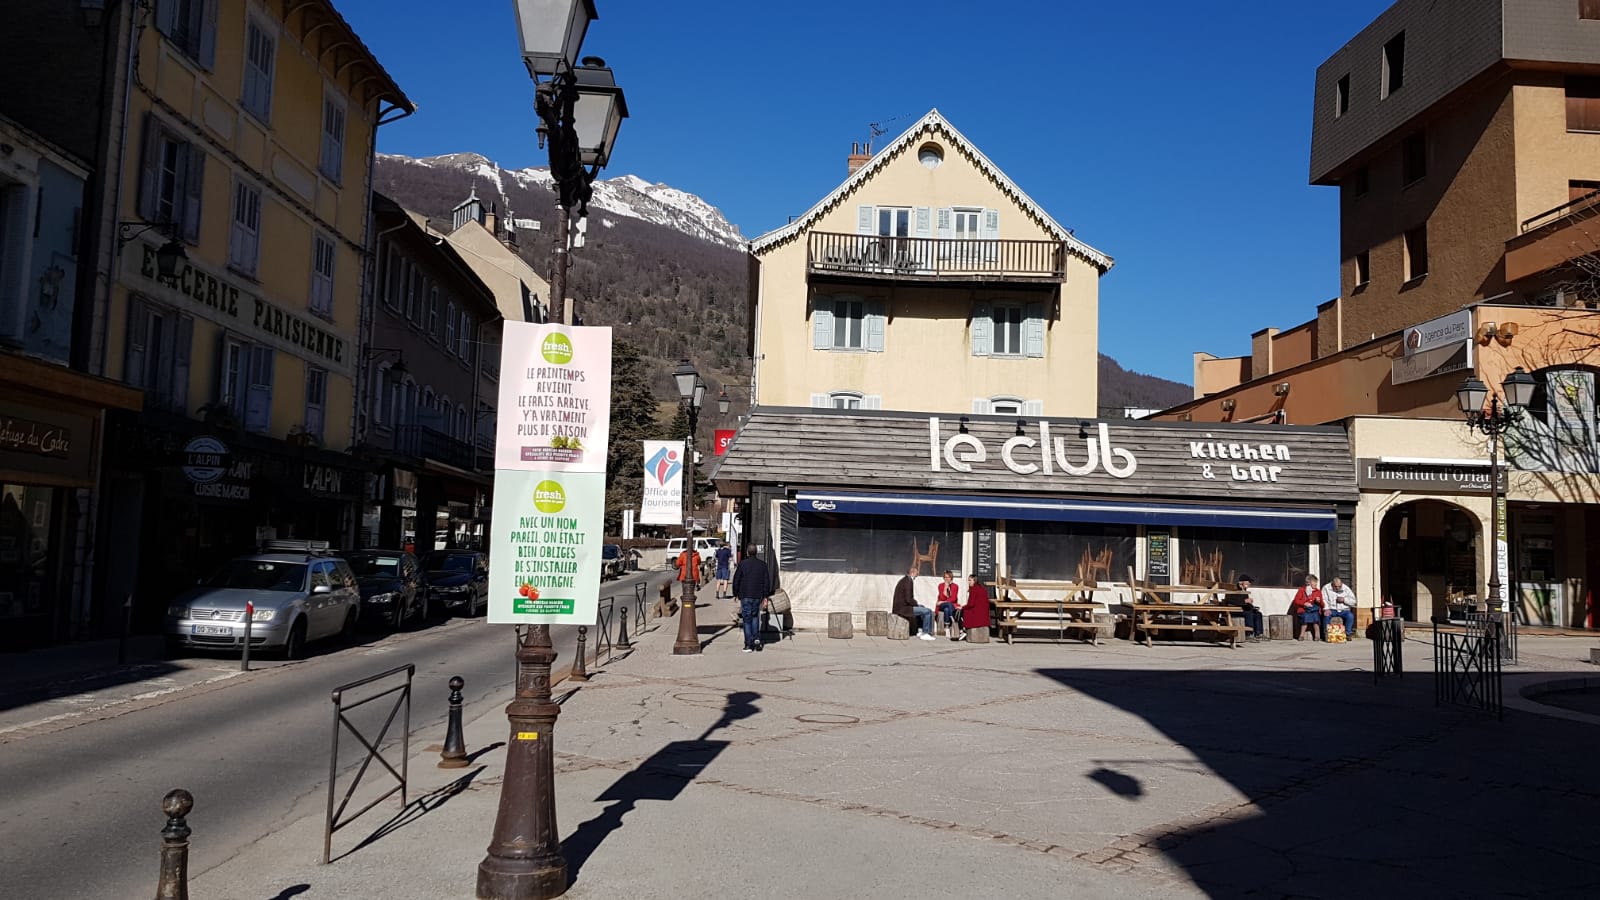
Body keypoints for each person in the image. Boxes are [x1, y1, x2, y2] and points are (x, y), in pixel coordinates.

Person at [731, 546, 771, 653]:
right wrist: (765, 596)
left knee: (747, 619)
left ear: (748, 552)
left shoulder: (743, 564)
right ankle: (757, 639)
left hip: (745, 594)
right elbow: (766, 581)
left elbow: (737, 579)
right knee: (755, 617)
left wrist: (735, 593)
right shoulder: (763, 565)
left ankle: (748, 644)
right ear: (756, 552)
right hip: (757, 595)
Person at [891, 566, 936, 641]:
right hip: (903, 608)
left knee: (922, 607)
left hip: (902, 606)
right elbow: (909, 599)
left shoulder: (905, 580)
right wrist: (916, 604)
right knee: (927, 611)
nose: (917, 575)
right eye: (917, 574)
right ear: (912, 573)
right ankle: (926, 633)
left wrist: (917, 605)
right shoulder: (908, 581)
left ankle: (920, 630)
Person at [1290, 574, 1326, 641]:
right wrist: (1304, 603)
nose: (1315, 584)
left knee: (1316, 618)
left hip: (1314, 609)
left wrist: (1319, 601)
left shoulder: (1318, 592)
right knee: (1305, 618)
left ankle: (1317, 635)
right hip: (1304, 609)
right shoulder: (1302, 590)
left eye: (1316, 582)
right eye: (1314, 582)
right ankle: (1301, 635)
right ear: (1308, 583)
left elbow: (1322, 605)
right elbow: (1296, 601)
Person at [1231, 574, 1265, 643]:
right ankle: (1249, 634)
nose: (1249, 584)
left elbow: (1245, 603)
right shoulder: (1233, 589)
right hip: (1235, 610)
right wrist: (1244, 601)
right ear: (1242, 583)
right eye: (1248, 582)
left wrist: (1252, 607)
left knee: (1258, 614)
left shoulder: (1244, 590)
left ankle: (1259, 633)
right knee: (1249, 614)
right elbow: (1231, 601)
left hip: (1242, 609)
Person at [1323, 576, 1356, 640]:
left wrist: (1344, 600)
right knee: (1326, 616)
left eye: (1339, 586)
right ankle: (1326, 634)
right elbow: (1324, 599)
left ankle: (1347, 634)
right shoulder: (1326, 588)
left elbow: (1353, 601)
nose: (1337, 588)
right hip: (1331, 609)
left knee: (1350, 616)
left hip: (1344, 610)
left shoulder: (1346, 588)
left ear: (1341, 584)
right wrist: (1326, 608)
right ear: (1332, 584)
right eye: (1335, 587)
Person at [960, 574, 992, 641]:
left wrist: (962, 607)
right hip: (984, 614)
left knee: (964, 611)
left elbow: (971, 604)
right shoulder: (982, 588)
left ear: (974, 581)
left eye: (970, 580)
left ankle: (963, 630)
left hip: (977, 614)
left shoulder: (974, 590)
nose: (969, 582)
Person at [934, 570, 961, 636]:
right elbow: (942, 597)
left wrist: (943, 601)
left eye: (948, 577)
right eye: (945, 577)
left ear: (951, 578)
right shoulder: (941, 586)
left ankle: (947, 627)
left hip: (949, 605)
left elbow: (953, 598)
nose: (946, 579)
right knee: (948, 605)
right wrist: (945, 588)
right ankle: (953, 619)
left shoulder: (955, 586)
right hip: (941, 606)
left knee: (947, 609)